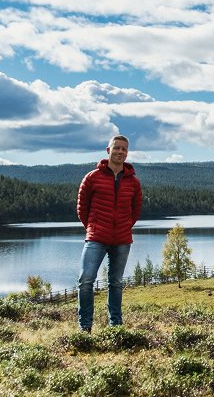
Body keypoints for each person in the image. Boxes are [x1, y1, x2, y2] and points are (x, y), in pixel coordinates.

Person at [76, 135, 143, 332]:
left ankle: (115, 325)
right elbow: (82, 208)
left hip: (122, 239)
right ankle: (85, 326)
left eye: (124, 149)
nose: (120, 152)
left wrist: (123, 226)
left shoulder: (134, 183)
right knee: (86, 280)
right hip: (96, 237)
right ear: (108, 150)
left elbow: (135, 210)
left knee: (115, 282)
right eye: (117, 148)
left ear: (127, 153)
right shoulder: (92, 177)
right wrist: (93, 226)